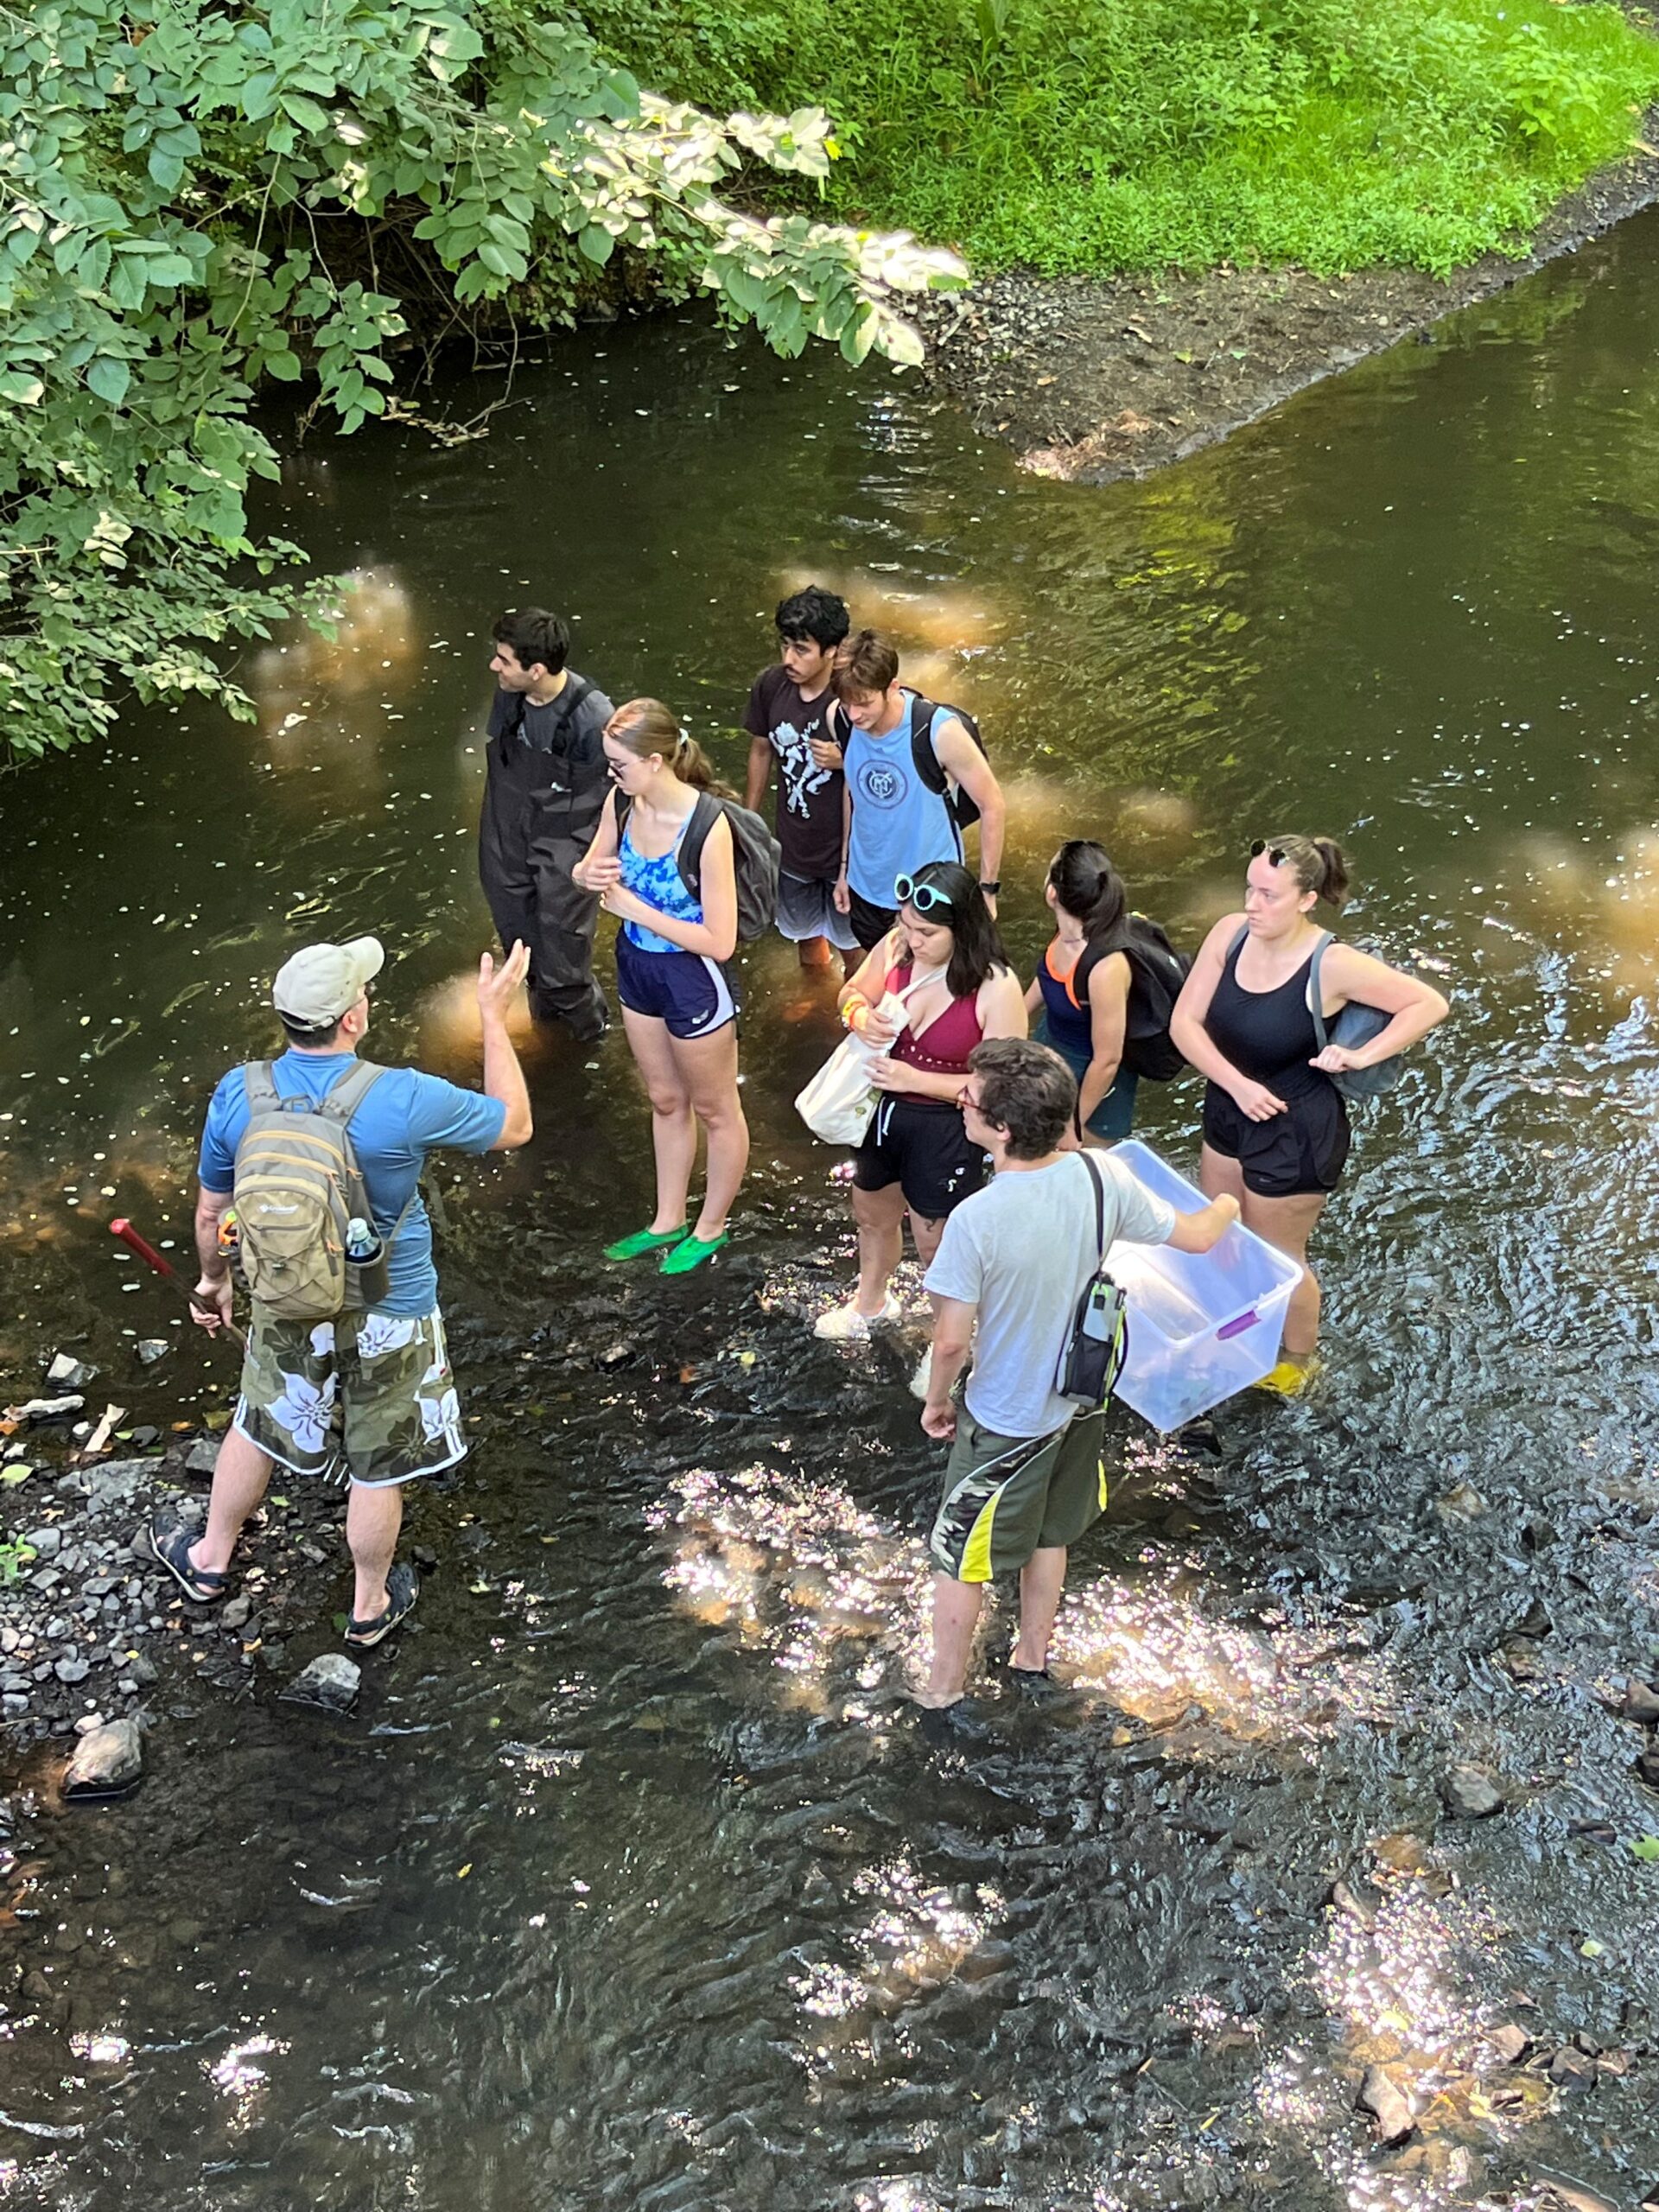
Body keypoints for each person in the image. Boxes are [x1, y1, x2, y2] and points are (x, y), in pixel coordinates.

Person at [150, 935, 534, 1646]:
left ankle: (208, 1558)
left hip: (286, 1293)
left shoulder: (242, 1091)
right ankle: (367, 1604)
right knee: (377, 1458)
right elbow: (515, 1124)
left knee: (258, 1419)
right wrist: (492, 1017)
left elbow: (211, 1211)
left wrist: (213, 1284)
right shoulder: (403, 1097)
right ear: (353, 1019)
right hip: (392, 1305)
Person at [917, 1038, 1239, 1738]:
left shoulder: (976, 1220)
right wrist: (1226, 1207)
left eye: (970, 1096)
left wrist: (938, 1401)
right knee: (1051, 1530)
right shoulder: (1101, 1176)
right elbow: (1195, 1236)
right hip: (1081, 1398)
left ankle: (942, 1689)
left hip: (1007, 1414)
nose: (961, 1100)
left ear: (1002, 1130)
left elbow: (949, 1341)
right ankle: (1031, 1653)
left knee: (961, 1555)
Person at [1170, 834, 1449, 1392]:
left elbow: (1429, 1003)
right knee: (1222, 1228)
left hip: (1294, 1129)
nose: (1252, 905)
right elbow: (1184, 1024)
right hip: (1229, 1108)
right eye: (1250, 889)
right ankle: (1239, 1321)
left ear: (1305, 899)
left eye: (1269, 895)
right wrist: (1236, 1084)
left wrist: (1360, 1055)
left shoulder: (1333, 965)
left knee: (1281, 1256)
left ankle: (1298, 1365)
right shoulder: (1229, 934)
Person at [814, 862, 1026, 1376]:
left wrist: (917, 1080)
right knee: (871, 1213)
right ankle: (871, 1302)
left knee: (937, 1243)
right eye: (906, 926)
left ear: (964, 930)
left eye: (927, 933)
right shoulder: (895, 948)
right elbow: (850, 995)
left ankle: (949, 1340)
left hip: (948, 1127)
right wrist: (860, 1018)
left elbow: (1002, 1087)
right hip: (880, 1111)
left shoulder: (996, 988)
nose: (912, 940)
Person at [574, 699, 747, 1274]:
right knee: (665, 1098)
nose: (611, 776)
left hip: (692, 976)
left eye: (618, 765)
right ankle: (666, 1220)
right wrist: (586, 874)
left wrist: (634, 909)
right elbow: (592, 866)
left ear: (653, 761)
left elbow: (720, 940)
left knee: (715, 1107)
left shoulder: (708, 827)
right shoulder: (622, 802)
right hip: (637, 968)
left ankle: (711, 1226)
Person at [478, 607, 615, 1040]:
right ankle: (547, 1036)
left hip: (568, 841)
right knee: (521, 949)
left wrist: (592, 863)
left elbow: (615, 796)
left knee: (563, 958)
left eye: (504, 659)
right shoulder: (510, 693)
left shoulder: (592, 717)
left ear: (535, 670)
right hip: (509, 832)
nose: (494, 666)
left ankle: (590, 1042)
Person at [830, 630, 1006, 952]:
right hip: (866, 889)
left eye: (864, 703)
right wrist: (844, 869)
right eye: (847, 703)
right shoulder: (839, 719)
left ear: (892, 687)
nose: (854, 714)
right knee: (881, 991)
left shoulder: (938, 732)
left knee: (932, 993)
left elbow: (992, 804)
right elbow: (853, 792)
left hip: (928, 896)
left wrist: (987, 891)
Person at [742, 585, 859, 969]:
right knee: (804, 936)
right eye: (785, 646)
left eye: (802, 649)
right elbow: (762, 749)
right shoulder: (771, 686)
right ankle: (816, 1003)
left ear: (832, 651)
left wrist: (848, 759)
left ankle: (857, 1009)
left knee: (853, 944)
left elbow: (891, 760)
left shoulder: (854, 700)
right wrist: (750, 822)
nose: (789, 659)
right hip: (793, 845)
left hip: (847, 851)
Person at [1027, 840, 1139, 1145]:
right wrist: (1011, 1016)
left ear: (1052, 893)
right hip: (1051, 1048)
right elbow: (1049, 976)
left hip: (1094, 1082)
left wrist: (1074, 1125)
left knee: (1084, 1162)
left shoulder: (1106, 968)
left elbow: (1108, 1059)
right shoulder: (1067, 930)